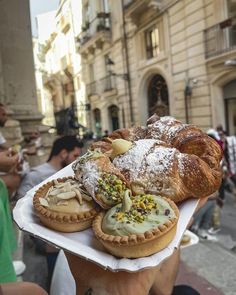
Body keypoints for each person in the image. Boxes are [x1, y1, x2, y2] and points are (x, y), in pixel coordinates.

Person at [16, 135, 83, 288]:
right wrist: (43, 243)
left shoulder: (71, 174)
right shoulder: (36, 175)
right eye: (75, 156)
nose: (76, 160)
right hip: (51, 248)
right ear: (63, 153)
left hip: (73, 245)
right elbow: (22, 212)